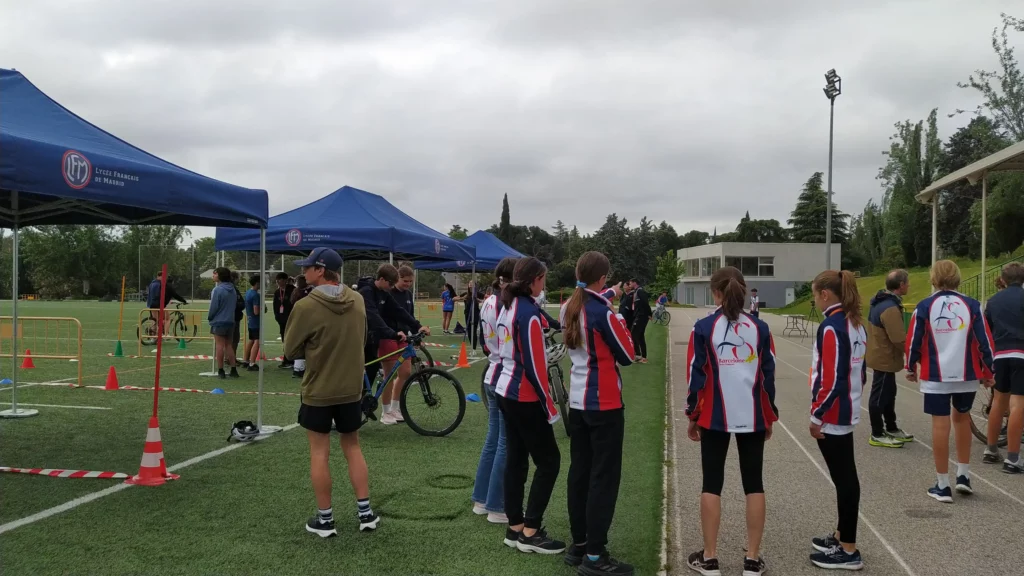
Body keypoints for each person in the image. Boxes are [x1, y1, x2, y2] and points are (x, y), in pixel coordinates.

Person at [684, 266, 775, 576]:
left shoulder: (703, 327)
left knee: (712, 483)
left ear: (715, 293)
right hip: (753, 416)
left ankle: (710, 558)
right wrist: (769, 416)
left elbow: (695, 377)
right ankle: (752, 560)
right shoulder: (760, 328)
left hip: (714, 417)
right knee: (754, 484)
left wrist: (693, 415)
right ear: (744, 290)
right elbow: (768, 377)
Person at [284, 247, 378, 537]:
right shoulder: (358, 300)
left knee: (319, 452)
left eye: (308, 267)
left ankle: (325, 519)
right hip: (351, 388)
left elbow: (290, 350)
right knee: (353, 447)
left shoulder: (305, 306)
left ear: (321, 270)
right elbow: (363, 339)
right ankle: (366, 513)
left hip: (319, 388)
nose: (304, 272)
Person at [560, 252, 637, 576]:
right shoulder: (605, 313)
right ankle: (595, 555)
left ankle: (579, 545)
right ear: (603, 277)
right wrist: (619, 316)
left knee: (579, 473)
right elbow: (628, 355)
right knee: (603, 479)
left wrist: (610, 294)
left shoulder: (568, 306)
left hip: (577, 402)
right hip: (604, 404)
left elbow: (590, 299)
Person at [906, 260, 995, 503]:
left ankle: (943, 484)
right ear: (957, 277)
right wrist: (989, 370)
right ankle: (963, 475)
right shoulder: (972, 305)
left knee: (940, 425)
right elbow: (985, 340)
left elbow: (914, 340)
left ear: (933, 278)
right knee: (962, 419)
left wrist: (910, 366)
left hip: (936, 376)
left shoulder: (924, 306)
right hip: (966, 374)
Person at [494, 257, 565, 554]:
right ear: (535, 280)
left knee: (516, 459)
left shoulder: (508, 304)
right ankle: (531, 531)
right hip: (523, 394)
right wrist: (549, 406)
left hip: (504, 388)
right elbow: (536, 366)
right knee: (549, 462)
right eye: (543, 278)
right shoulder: (528, 313)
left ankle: (515, 526)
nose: (544, 283)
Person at [807, 270, 867, 570]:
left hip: (833, 413)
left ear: (825, 294)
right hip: (847, 407)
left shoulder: (832, 326)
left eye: (815, 295)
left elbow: (832, 378)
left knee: (844, 480)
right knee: (845, 477)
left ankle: (849, 549)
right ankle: (843, 535)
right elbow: (861, 373)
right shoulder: (856, 323)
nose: (815, 301)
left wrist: (817, 414)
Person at [472, 257, 519, 525]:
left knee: (493, 440)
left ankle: (482, 499)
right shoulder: (505, 301)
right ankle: (496, 505)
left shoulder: (490, 299)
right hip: (503, 373)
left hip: (492, 370)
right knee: (504, 442)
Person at [357, 264, 429, 426]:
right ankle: (343, 413)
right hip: (359, 338)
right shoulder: (366, 292)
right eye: (390, 283)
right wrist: (392, 333)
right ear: (382, 279)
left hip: (373, 340)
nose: (391, 287)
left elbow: (399, 311)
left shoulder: (384, 292)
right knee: (356, 378)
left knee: (370, 375)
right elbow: (373, 316)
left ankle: (361, 409)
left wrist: (418, 326)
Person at [864, 269, 915, 448]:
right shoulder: (890, 308)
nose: (909, 285)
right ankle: (877, 433)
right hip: (884, 358)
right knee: (879, 397)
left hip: (881, 355)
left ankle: (891, 427)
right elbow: (898, 338)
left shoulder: (881, 301)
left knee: (889, 393)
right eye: (907, 282)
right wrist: (914, 353)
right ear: (901, 285)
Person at [984, 263, 1024, 471]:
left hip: (1000, 354)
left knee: (999, 401)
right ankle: (1013, 458)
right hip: (1021, 353)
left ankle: (991, 450)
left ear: (1003, 279)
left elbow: (986, 330)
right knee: (1018, 404)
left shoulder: (993, 301)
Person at [208, 267, 239, 379]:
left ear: (220, 275)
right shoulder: (233, 289)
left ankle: (221, 370)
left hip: (219, 321)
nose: (213, 275)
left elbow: (214, 307)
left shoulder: (217, 290)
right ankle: (233, 369)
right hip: (230, 320)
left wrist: (210, 317)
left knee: (220, 346)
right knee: (229, 345)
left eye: (215, 273)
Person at [290, 276, 313, 379]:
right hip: (303, 320)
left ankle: (299, 368)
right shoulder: (299, 292)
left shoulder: (304, 291)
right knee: (302, 343)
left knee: (302, 343)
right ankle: (299, 368)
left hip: (301, 319)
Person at [273, 272, 295, 369]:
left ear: (285, 280)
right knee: (284, 339)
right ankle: (287, 359)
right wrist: (277, 317)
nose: (278, 282)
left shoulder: (293, 290)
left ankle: (291, 360)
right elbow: (275, 306)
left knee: (291, 339)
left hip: (292, 319)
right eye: (277, 280)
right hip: (281, 320)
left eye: (280, 280)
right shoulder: (277, 292)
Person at [629, 279, 651, 364]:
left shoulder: (640, 291)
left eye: (630, 283)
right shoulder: (636, 291)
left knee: (634, 334)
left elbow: (646, 303)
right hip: (638, 315)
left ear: (635, 283)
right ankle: (643, 357)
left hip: (642, 316)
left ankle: (638, 355)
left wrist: (649, 314)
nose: (630, 285)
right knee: (640, 336)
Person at [244, 275, 263, 371]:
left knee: (251, 340)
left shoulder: (248, 292)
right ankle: (252, 363)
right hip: (255, 321)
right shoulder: (256, 295)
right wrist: (262, 309)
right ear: (257, 283)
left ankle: (246, 360)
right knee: (257, 341)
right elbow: (256, 311)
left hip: (250, 319)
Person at [230, 271, 245, 367]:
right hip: (233, 317)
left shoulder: (233, 288)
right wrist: (242, 304)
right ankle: (231, 359)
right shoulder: (232, 289)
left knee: (233, 339)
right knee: (234, 339)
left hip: (235, 317)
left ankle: (231, 358)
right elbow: (236, 303)